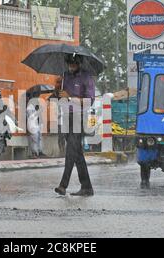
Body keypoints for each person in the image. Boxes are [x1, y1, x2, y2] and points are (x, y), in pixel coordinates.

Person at [54, 54, 95, 197]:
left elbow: (89, 101)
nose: (71, 67)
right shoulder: (65, 77)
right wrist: (57, 87)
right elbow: (60, 96)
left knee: (70, 151)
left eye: (73, 64)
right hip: (66, 117)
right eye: (69, 64)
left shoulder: (86, 77)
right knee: (77, 154)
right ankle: (87, 187)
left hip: (79, 117)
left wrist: (70, 97)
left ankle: (63, 185)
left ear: (79, 64)